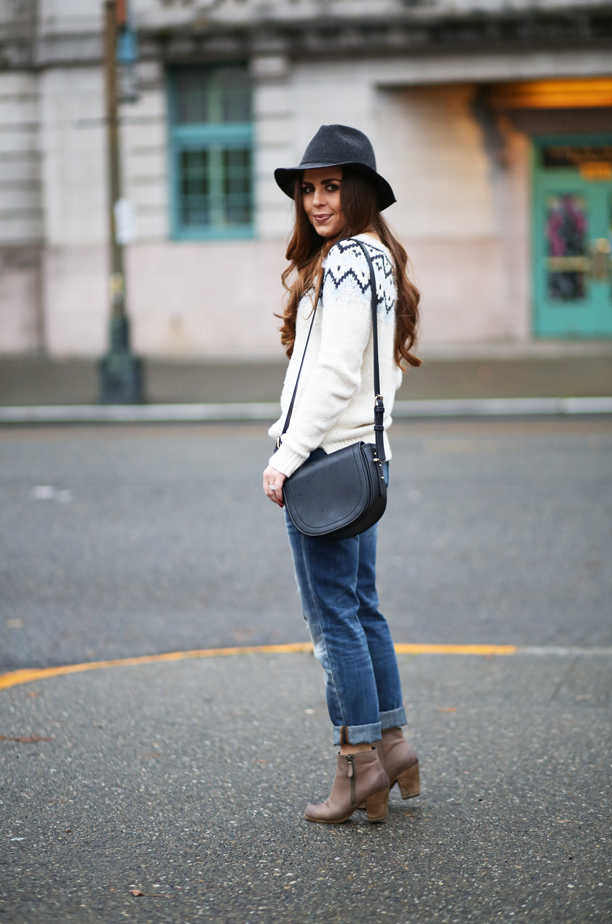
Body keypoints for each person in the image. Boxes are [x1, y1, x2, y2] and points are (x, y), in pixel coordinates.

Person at [262, 124, 421, 824]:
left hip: (329, 459)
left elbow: (332, 374)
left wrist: (287, 456)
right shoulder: (371, 257)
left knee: (335, 621)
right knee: (361, 606)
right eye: (308, 189)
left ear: (358, 191)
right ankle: (391, 744)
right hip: (363, 457)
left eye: (331, 186)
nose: (317, 200)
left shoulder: (351, 261)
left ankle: (356, 767)